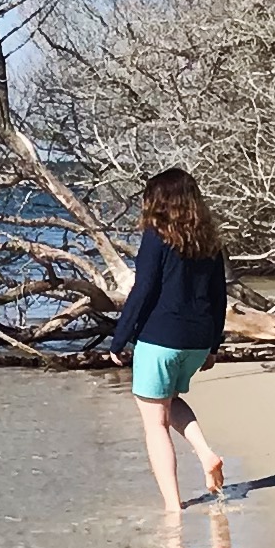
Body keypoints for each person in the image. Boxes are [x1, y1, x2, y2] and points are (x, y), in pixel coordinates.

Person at [111, 166, 229, 518]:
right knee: (170, 400)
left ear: (158, 202)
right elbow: (219, 296)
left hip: (160, 338)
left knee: (154, 424)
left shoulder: (156, 236)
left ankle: (172, 506)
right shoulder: (208, 241)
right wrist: (213, 345)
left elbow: (143, 289)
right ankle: (206, 452)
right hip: (195, 340)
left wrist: (119, 339)